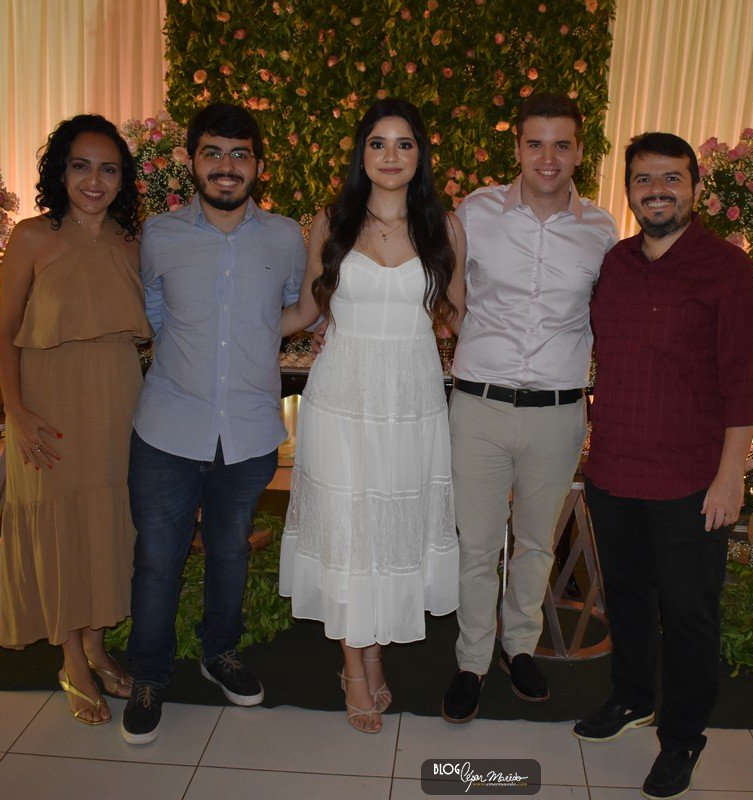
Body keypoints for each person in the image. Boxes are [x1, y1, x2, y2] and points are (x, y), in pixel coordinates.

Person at [573, 132, 753, 799]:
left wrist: (730, 476)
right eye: (643, 180)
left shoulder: (727, 269)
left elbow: (744, 380)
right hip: (614, 470)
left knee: (688, 614)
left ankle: (683, 737)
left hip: (690, 481)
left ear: (695, 187)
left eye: (671, 178)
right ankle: (632, 697)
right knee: (626, 599)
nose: (656, 191)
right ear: (628, 190)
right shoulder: (616, 264)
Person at [120, 103, 306, 745]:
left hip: (248, 431)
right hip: (168, 428)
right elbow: (153, 313)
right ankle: (149, 676)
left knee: (229, 551)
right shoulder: (160, 234)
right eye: (214, 153)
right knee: (158, 560)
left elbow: (294, 309)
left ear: (258, 165)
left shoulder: (285, 237)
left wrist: (255, 339)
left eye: (240, 154)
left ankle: (219, 652)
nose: (227, 166)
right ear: (193, 161)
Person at [279, 98, 465, 734]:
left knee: (394, 529)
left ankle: (376, 650)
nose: (391, 155)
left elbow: (457, 315)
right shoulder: (331, 221)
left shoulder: (444, 227)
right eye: (378, 143)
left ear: (420, 155)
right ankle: (354, 666)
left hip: (412, 399)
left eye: (404, 143)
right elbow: (308, 310)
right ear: (362, 154)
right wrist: (236, 333)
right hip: (342, 397)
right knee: (349, 527)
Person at [442, 93, 617, 723]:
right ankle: (471, 659)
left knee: (536, 542)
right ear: (516, 148)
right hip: (480, 407)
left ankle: (518, 647)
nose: (548, 157)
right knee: (476, 544)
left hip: (557, 412)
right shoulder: (476, 211)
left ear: (579, 152)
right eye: (535, 143)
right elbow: (449, 294)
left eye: (561, 144)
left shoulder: (601, 231)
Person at [0, 114, 152, 725]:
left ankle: (97, 646)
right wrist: (16, 411)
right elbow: (4, 333)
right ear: (60, 172)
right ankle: (72, 660)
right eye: (81, 166)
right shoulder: (31, 237)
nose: (94, 180)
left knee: (106, 522)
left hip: (117, 396)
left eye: (108, 169)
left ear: (122, 179)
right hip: (50, 402)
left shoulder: (130, 241)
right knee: (60, 525)